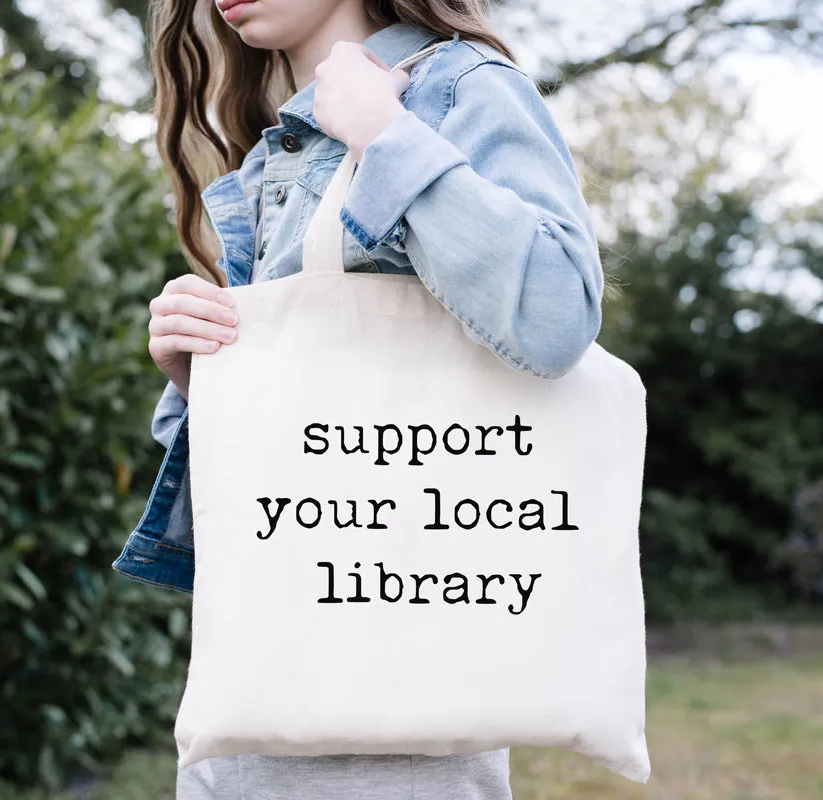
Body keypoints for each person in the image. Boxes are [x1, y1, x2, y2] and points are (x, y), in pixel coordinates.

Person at [112, 1, 606, 797]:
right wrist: (197, 377)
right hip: (246, 710)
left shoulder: (455, 89)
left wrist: (386, 136)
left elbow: (556, 315)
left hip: (393, 731)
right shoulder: (280, 146)